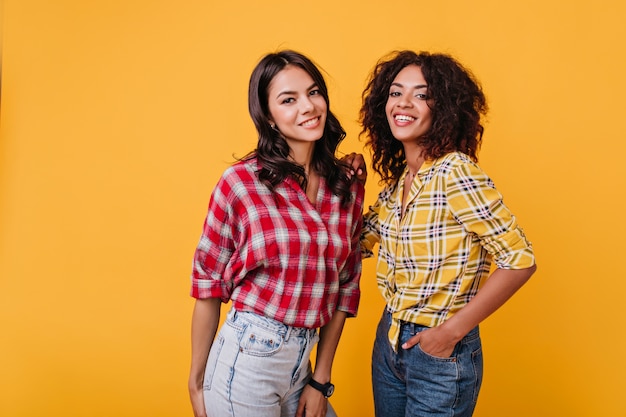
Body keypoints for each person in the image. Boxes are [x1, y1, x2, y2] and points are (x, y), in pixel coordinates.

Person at [358, 50, 537, 417]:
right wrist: (346, 184)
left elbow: (520, 260)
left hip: (439, 354)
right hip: (389, 343)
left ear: (445, 109)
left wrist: (449, 334)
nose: (403, 103)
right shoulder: (398, 184)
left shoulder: (455, 172)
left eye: (422, 95)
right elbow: (353, 243)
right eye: (395, 93)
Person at [188, 50, 365, 417]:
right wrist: (196, 380)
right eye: (289, 99)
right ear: (268, 117)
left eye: (314, 92)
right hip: (246, 361)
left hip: (305, 366)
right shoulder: (240, 183)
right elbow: (208, 283)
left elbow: (346, 286)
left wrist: (320, 379)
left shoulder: (344, 185)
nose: (308, 107)